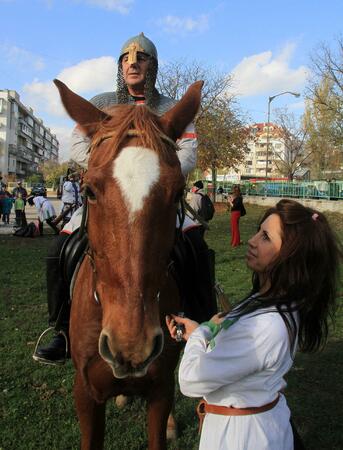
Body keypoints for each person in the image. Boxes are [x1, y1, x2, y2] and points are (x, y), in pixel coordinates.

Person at [33, 32, 209, 365]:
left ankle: (201, 321)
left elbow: (188, 150)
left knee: (196, 246)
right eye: (126, 58)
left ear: (152, 66)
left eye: (141, 58)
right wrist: (111, 168)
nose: (133, 63)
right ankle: (60, 330)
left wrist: (155, 168)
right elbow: (77, 146)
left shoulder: (171, 108)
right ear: (119, 66)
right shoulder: (100, 103)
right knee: (60, 249)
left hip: (156, 196)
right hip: (110, 196)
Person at [166, 199, 342, 450]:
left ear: (290, 256)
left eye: (266, 237)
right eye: (259, 231)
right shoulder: (268, 301)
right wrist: (198, 332)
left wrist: (201, 334)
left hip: (242, 438)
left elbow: (191, 380)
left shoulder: (267, 325)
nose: (252, 240)